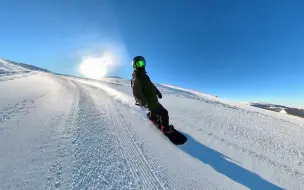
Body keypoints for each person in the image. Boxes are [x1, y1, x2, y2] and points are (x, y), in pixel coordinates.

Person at [131, 56, 173, 134]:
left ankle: (152, 117)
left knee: (154, 111)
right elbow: (137, 93)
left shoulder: (145, 76)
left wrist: (158, 92)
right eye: (139, 64)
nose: (142, 66)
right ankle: (165, 129)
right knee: (164, 113)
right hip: (150, 102)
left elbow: (151, 86)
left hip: (153, 100)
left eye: (143, 63)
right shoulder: (137, 78)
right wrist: (144, 103)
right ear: (134, 66)